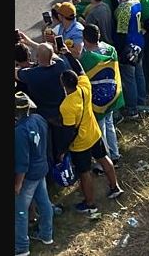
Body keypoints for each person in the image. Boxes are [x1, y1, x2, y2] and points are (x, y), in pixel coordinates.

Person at [57, 60, 125, 215]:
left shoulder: (66, 105)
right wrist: (67, 53)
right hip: (94, 133)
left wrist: (62, 150)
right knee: (103, 158)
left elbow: (69, 131)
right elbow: (80, 68)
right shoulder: (84, 87)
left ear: (63, 85)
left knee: (84, 172)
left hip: (80, 144)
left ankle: (90, 203)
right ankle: (115, 187)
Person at [77, 24, 124, 163]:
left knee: (100, 129)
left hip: (97, 101)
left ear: (85, 39)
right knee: (110, 125)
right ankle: (115, 154)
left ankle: (104, 159)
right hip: (111, 95)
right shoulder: (111, 50)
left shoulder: (86, 58)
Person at [14, 92, 54, 256]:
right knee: (44, 202)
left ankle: (22, 247)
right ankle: (46, 235)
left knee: (20, 212)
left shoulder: (19, 131)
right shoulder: (39, 119)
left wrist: (17, 184)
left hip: (28, 175)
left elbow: (22, 162)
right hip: (41, 168)